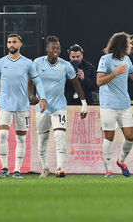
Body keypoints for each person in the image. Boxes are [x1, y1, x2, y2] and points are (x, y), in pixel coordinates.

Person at [0, 33, 47, 179]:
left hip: (22, 106)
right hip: (5, 106)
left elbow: (37, 82)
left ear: (20, 44)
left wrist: (43, 97)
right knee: (2, 135)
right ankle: (4, 168)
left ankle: (17, 170)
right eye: (9, 42)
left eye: (14, 42)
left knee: (20, 139)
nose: (11, 44)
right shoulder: (0, 63)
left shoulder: (27, 63)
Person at [29, 35, 88, 178]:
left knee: (60, 136)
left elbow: (75, 83)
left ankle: (60, 168)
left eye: (58, 48)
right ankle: (45, 168)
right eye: (53, 48)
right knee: (42, 140)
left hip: (59, 106)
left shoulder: (65, 65)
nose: (56, 50)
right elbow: (30, 81)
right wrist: (31, 96)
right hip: (42, 108)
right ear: (47, 49)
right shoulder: (37, 63)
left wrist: (84, 103)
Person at [96, 32, 133, 177]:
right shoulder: (106, 59)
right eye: (128, 43)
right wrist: (114, 73)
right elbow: (99, 81)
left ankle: (121, 161)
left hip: (124, 104)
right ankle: (108, 170)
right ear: (121, 44)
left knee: (130, 136)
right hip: (108, 103)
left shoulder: (127, 59)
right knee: (109, 136)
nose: (131, 45)